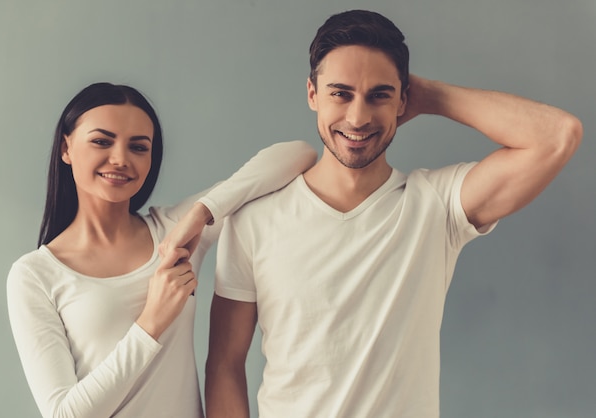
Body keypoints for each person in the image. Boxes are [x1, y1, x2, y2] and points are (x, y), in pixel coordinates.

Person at [204, 9, 583, 418]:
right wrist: (391, 88)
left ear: (404, 100)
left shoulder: (436, 205)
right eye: (341, 93)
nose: (358, 117)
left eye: (379, 95)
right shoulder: (254, 221)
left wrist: (432, 95)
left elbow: (558, 136)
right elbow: (225, 364)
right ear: (312, 93)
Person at [6, 82, 316, 418]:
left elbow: (298, 154)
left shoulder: (175, 232)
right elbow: (63, 414)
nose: (121, 158)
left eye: (138, 147)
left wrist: (201, 213)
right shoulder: (35, 275)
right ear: (66, 148)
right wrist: (151, 321)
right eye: (101, 141)